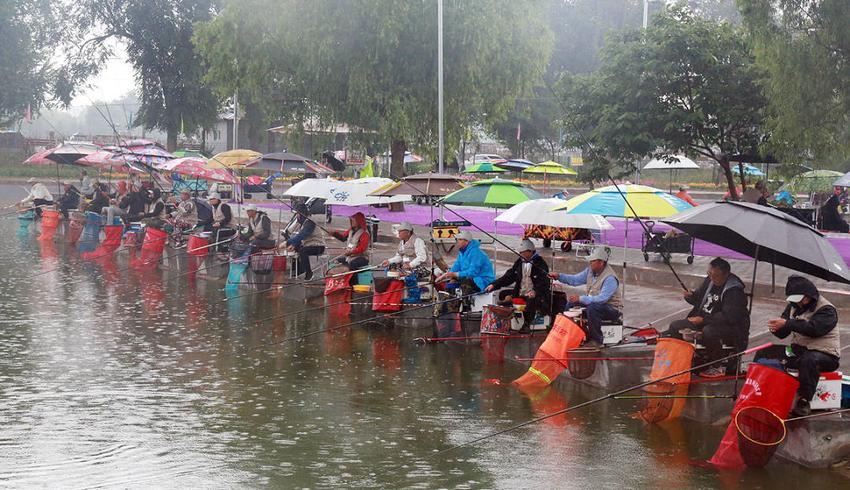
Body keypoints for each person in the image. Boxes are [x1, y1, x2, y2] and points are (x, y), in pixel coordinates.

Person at [755, 276, 840, 417]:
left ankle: (804, 400)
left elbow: (814, 329)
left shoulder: (827, 310)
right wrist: (776, 328)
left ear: (809, 296)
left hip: (825, 355)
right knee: (765, 352)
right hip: (799, 350)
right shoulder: (793, 306)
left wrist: (787, 323)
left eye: (801, 299)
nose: (799, 303)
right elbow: (783, 333)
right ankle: (757, 388)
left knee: (809, 360)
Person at [664, 257, 750, 377]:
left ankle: (717, 365)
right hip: (704, 320)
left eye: (715, 276)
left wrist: (704, 320)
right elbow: (699, 299)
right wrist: (691, 296)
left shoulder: (734, 291)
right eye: (709, 274)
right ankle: (682, 360)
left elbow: (729, 316)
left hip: (730, 326)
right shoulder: (709, 281)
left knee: (709, 331)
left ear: (726, 275)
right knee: (675, 326)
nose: (711, 278)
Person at [550, 246, 622, 347]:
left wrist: (581, 298)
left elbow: (602, 299)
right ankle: (566, 332)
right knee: (571, 302)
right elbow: (575, 280)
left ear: (601, 262)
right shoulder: (590, 271)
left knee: (593, 308)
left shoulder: (610, 278)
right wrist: (559, 276)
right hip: (597, 305)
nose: (590, 263)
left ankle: (596, 340)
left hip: (612, 309)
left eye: (593, 261)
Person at [485, 239, 550, 333]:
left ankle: (527, 324)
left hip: (537, 294)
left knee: (531, 299)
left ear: (530, 251)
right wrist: (494, 285)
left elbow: (544, 282)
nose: (520, 254)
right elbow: (509, 276)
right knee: (503, 293)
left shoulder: (541, 264)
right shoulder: (520, 262)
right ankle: (507, 319)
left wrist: (535, 291)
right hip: (521, 292)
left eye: (522, 252)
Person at [435, 231, 495, 296]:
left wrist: (455, 274)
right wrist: (445, 275)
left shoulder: (476, 253)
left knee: (465, 281)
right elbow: (455, 267)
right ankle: (450, 302)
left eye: (460, 240)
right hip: (471, 279)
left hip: (483, 281)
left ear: (467, 241)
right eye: (457, 239)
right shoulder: (462, 253)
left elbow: (472, 273)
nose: (457, 241)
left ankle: (464, 303)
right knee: (451, 284)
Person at [282, 203, 326, 280]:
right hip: (309, 245)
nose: (297, 216)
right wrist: (294, 245)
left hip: (318, 246)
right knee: (297, 248)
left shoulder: (310, 222)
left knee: (303, 251)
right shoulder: (303, 223)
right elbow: (300, 238)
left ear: (301, 213)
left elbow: (303, 235)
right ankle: (297, 270)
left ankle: (309, 272)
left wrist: (287, 242)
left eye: (297, 214)